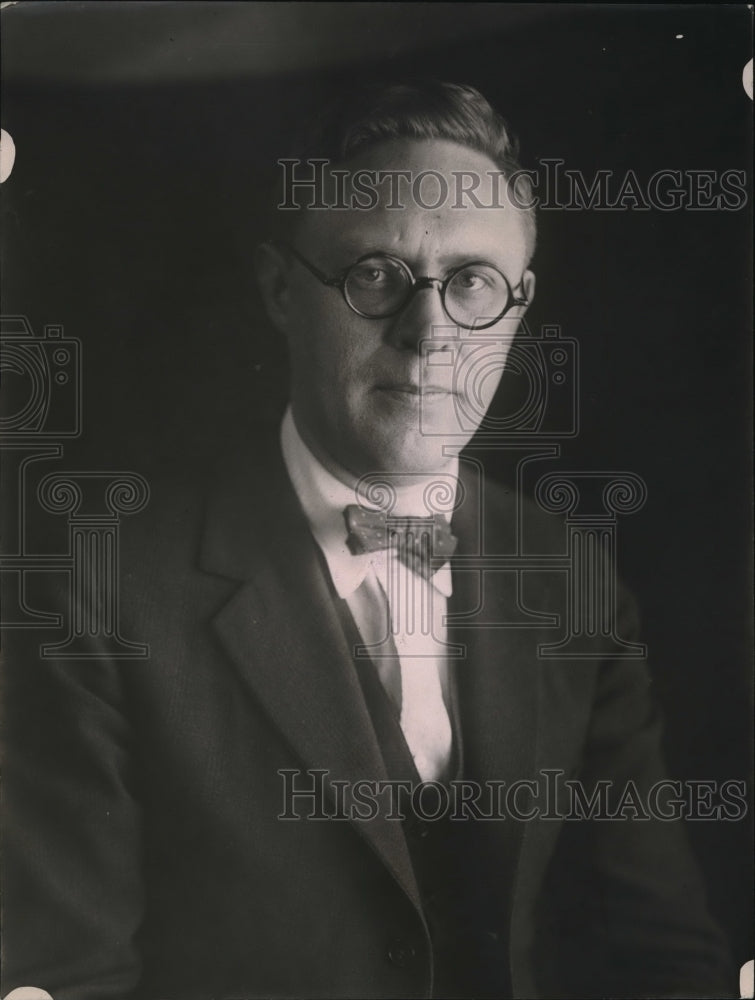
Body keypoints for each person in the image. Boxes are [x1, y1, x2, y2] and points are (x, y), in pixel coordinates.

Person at [1, 81, 736, 999]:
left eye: (471, 281)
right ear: (280, 290)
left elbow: (663, 952)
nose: (429, 335)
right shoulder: (97, 587)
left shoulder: (567, 572)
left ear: (516, 306)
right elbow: (65, 975)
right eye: (375, 275)